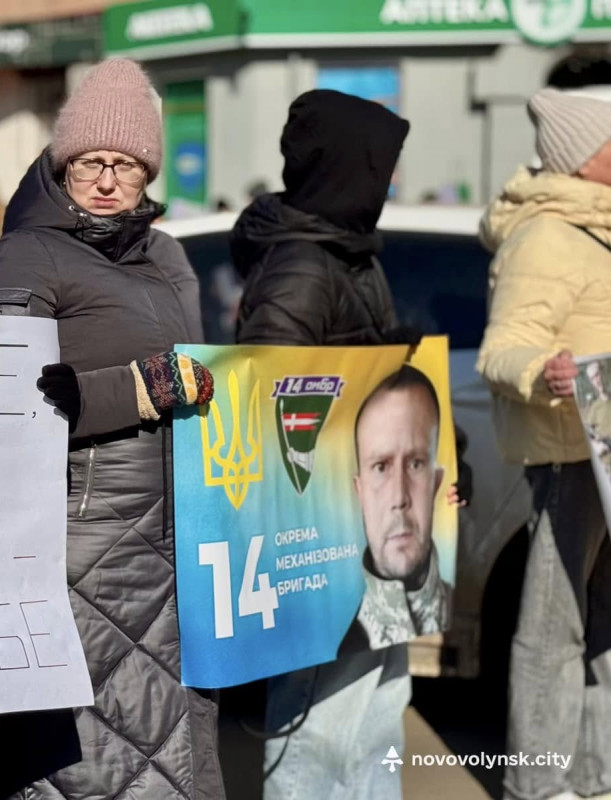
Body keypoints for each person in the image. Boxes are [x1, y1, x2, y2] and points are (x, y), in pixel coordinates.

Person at [0, 57, 224, 800]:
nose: (109, 180)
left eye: (127, 164)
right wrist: (136, 392)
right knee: (87, 748)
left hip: (182, 531)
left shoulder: (167, 254)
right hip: (82, 541)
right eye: (91, 163)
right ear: (63, 166)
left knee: (172, 741)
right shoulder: (28, 252)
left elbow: (194, 372)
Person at [230, 89, 468, 800]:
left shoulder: (351, 256)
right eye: (379, 165)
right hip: (322, 536)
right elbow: (269, 408)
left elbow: (384, 383)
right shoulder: (304, 268)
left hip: (364, 532)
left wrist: (442, 458)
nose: (389, 181)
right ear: (345, 167)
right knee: (319, 728)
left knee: (373, 716)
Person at [477, 87, 611, 800]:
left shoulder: (600, 225)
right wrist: (543, 371)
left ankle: (595, 775)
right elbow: (501, 348)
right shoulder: (543, 236)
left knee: (605, 622)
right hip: (568, 453)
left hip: (607, 456)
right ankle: (536, 783)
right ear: (586, 158)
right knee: (551, 625)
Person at [340, 365, 451, 654]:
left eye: (415, 464)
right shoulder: (337, 635)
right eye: (380, 467)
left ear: (436, 481)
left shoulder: (452, 605)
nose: (399, 497)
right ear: (359, 491)